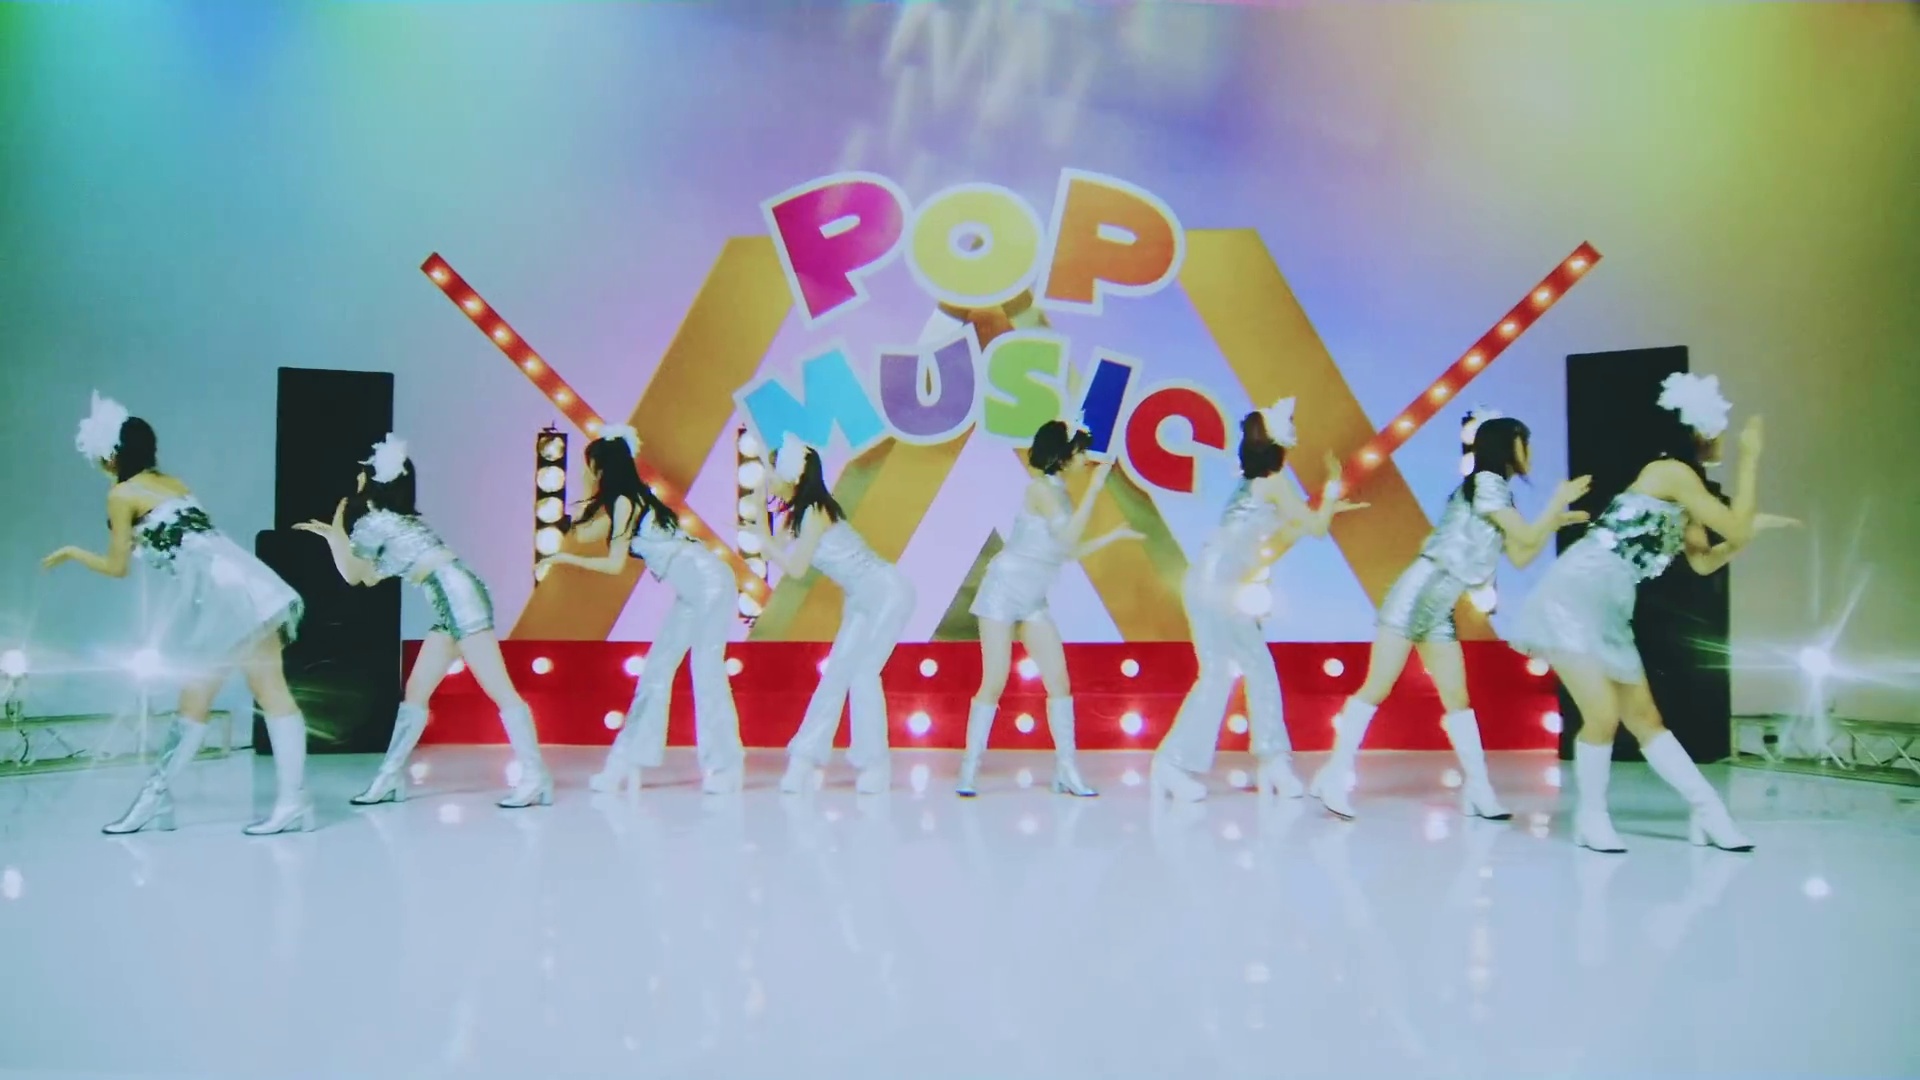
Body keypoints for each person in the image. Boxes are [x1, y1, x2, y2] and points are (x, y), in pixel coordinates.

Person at [1510, 373, 1796, 852]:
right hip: (1574, 594)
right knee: (1602, 716)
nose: (1724, 439)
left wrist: (1748, 533)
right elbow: (1734, 526)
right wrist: (1750, 459)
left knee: (1646, 719)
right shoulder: (1670, 472)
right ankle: (1591, 819)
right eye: (1720, 430)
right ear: (1700, 430)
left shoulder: (1686, 492)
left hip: (1610, 604)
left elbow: (1704, 561)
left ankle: (1710, 815)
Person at [45, 393, 310, 835]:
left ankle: (154, 801)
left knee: (196, 699)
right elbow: (188, 540)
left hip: (219, 594)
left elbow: (117, 566)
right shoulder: (173, 483)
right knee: (269, 691)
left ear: (111, 454)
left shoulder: (121, 494)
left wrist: (73, 552)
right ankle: (291, 803)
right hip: (247, 579)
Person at [1308, 410, 1590, 821]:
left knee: (1457, 697)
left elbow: (1520, 555)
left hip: (1441, 604)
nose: (1529, 452)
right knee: (1377, 686)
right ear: (1508, 446)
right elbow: (1526, 537)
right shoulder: (1487, 484)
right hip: (1418, 593)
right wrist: (1556, 504)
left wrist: (1553, 523)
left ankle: (1479, 791)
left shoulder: (1498, 493)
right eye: (1524, 443)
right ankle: (1335, 775)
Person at [295, 434, 552, 809]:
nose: (357, 477)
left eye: (363, 472)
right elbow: (371, 577)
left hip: (458, 599)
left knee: (501, 690)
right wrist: (336, 538)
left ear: (373, 481)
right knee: (416, 693)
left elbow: (353, 577)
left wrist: (336, 530)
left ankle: (535, 777)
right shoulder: (393, 522)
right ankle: (388, 778)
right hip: (453, 597)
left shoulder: (373, 523)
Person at [1150, 400, 1367, 802]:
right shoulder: (1274, 481)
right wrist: (1333, 489)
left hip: (1218, 583)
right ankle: (1172, 764)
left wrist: (1326, 508)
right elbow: (1315, 528)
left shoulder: (1256, 483)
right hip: (1215, 586)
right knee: (1219, 674)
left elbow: (1289, 532)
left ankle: (1273, 761)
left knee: (1258, 668)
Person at [541, 427, 744, 795]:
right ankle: (624, 764)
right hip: (692, 588)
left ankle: (725, 768)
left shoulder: (626, 502)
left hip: (709, 582)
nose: (588, 471)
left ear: (603, 467)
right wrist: (587, 487)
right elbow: (583, 533)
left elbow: (613, 564)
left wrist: (566, 560)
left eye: (590, 466)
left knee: (706, 672)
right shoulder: (624, 501)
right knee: (655, 671)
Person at [958, 415, 1143, 798]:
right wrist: (1095, 489)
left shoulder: (1059, 493)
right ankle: (969, 769)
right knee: (994, 680)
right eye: (1081, 452)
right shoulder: (1042, 489)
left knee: (1059, 681)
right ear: (1064, 455)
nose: (1086, 458)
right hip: (1003, 591)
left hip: (1033, 598)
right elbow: (1068, 537)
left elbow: (1065, 551)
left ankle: (1067, 770)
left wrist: (1112, 537)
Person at [749, 434, 917, 795]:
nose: (768, 480)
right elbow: (776, 551)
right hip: (860, 598)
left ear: (792, 475)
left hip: (887, 593)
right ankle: (804, 759)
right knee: (836, 674)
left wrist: (762, 533)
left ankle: (874, 764)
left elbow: (795, 569)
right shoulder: (799, 515)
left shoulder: (815, 512)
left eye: (772, 472)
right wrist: (762, 520)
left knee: (862, 674)